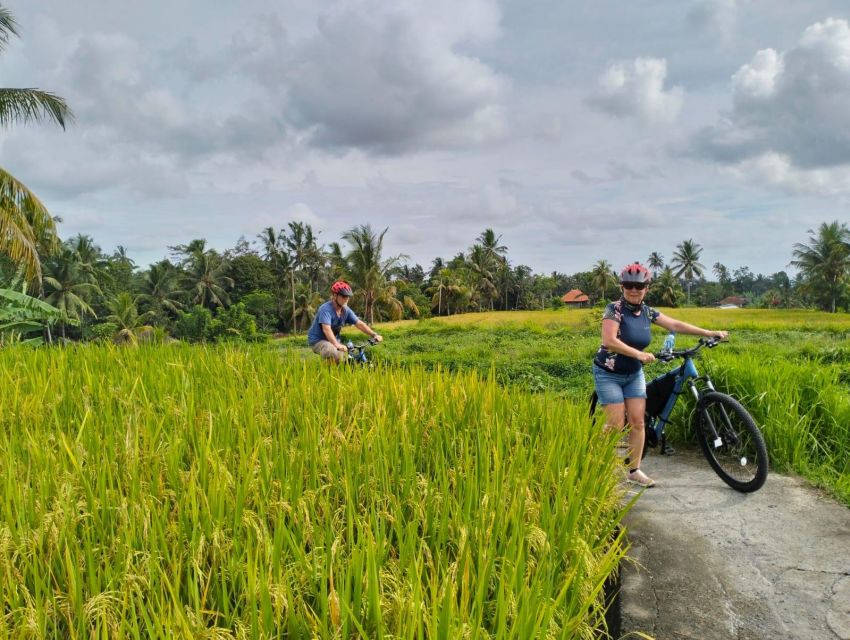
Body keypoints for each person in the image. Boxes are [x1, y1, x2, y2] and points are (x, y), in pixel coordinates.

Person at [592, 262, 728, 487]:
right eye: (629, 285)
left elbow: (674, 324)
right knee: (616, 424)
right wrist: (638, 354)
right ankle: (590, 459)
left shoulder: (647, 311)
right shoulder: (613, 309)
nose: (634, 290)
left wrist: (708, 332)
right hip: (609, 373)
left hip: (634, 374)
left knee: (637, 422)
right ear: (622, 286)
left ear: (647, 287)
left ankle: (633, 470)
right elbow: (609, 341)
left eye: (639, 286)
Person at [307, 280, 383, 363]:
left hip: (333, 340)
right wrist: (337, 345)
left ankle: (338, 372)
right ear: (335, 296)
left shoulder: (345, 310)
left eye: (348, 297)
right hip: (318, 340)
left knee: (347, 359)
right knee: (335, 353)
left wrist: (374, 334)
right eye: (343, 297)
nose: (346, 299)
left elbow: (359, 323)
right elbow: (326, 329)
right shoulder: (325, 309)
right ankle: (325, 375)